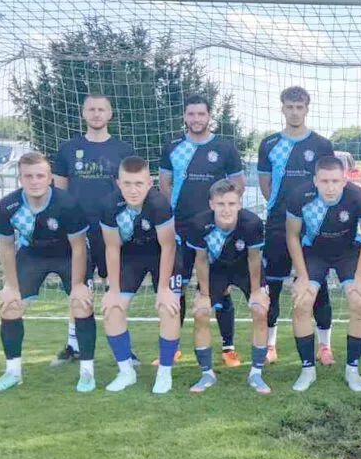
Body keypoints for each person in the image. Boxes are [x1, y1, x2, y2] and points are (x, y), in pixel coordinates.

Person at [0, 152, 94, 392]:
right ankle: (13, 372)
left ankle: (87, 372)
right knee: (10, 305)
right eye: (29, 176)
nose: (34, 181)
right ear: (20, 178)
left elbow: (79, 247)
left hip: (68, 254)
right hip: (33, 254)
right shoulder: (8, 206)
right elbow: (6, 246)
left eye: (40, 176)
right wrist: (10, 286)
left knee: (81, 303)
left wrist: (78, 286)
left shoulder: (67, 204)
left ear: (50, 178)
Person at [159, 95, 244, 366]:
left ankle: (228, 348)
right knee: (179, 287)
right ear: (185, 116)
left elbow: (238, 185)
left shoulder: (225, 148)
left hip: (216, 231)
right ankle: (173, 348)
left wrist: (223, 213)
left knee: (222, 287)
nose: (196, 119)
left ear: (209, 116)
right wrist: (175, 210)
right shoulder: (173, 147)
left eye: (201, 114)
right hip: (182, 228)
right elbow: (164, 183)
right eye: (191, 114)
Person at [51, 94, 134, 366]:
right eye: (91, 109)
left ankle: (122, 347)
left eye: (101, 109)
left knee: (115, 288)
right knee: (79, 287)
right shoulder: (67, 149)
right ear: (83, 113)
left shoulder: (123, 150)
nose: (96, 114)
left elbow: (131, 190)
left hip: (112, 228)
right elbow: (59, 193)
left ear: (110, 114)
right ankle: (74, 344)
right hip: (78, 230)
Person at [257, 86, 336, 365]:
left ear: (306, 109)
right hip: (278, 224)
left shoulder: (322, 145)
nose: (294, 112)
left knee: (318, 285)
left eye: (299, 107)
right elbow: (266, 184)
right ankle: (269, 345)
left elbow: (329, 182)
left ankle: (324, 346)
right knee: (273, 285)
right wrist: (283, 208)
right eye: (289, 107)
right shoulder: (269, 144)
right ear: (282, 108)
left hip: (314, 225)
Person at [286, 156, 361, 392]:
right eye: (324, 181)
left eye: (335, 181)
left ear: (344, 180)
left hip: (347, 253)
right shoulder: (299, 196)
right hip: (314, 253)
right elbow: (292, 236)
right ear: (315, 180)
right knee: (301, 303)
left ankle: (352, 369)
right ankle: (307, 370)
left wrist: (360, 276)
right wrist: (302, 276)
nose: (330, 187)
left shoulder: (359, 197)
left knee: (360, 302)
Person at [99, 157, 179, 394]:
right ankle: (126, 372)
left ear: (148, 183)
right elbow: (112, 247)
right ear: (118, 183)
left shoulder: (159, 204)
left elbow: (168, 246)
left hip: (161, 255)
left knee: (168, 308)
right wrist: (113, 290)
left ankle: (164, 373)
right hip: (131, 256)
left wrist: (163, 289)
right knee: (112, 309)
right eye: (127, 183)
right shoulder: (108, 205)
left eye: (139, 184)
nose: (133, 190)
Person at [184, 179, 271, 394]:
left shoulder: (252, 223)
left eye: (231, 204)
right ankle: (207, 374)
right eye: (221, 204)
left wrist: (257, 292)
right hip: (217, 270)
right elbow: (201, 260)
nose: (226, 209)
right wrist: (204, 294)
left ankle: (256, 373)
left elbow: (253, 258)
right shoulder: (199, 224)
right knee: (201, 312)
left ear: (239, 204)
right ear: (211, 204)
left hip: (245, 269)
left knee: (260, 310)